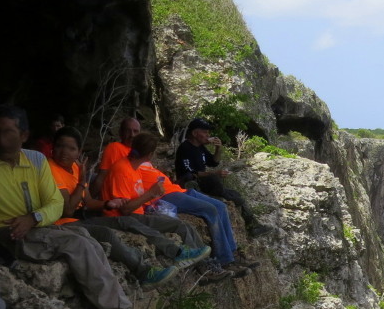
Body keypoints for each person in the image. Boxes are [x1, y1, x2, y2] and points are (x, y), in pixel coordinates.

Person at [0, 104, 134, 309]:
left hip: (35, 225)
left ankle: (115, 306)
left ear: (24, 135)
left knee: (90, 240)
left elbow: (55, 202)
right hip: (0, 233)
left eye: (8, 132)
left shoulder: (36, 161)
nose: (0, 139)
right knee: (79, 244)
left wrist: (33, 218)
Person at [47, 126, 212, 284]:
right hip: (66, 221)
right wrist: (83, 184)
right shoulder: (52, 169)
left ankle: (198, 263)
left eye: (71, 148)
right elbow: (68, 211)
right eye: (60, 146)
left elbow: (89, 202)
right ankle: (155, 266)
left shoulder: (76, 167)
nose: (64, 152)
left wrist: (108, 203)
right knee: (114, 230)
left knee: (174, 224)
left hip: (89, 215)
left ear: (79, 152)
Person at [103, 132, 258, 275]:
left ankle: (232, 253)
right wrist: (151, 194)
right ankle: (223, 259)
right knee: (210, 210)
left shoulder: (135, 166)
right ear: (150, 154)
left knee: (221, 206)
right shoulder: (124, 168)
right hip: (164, 197)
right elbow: (126, 205)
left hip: (177, 190)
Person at [174, 118, 272, 237]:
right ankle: (248, 220)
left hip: (202, 182)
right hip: (190, 183)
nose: (208, 135)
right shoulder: (185, 148)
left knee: (235, 193)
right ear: (195, 133)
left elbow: (214, 162)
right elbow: (191, 173)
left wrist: (218, 148)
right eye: (205, 132)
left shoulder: (200, 147)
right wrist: (214, 173)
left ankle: (253, 225)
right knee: (219, 185)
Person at [92, 117, 141, 196]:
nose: (132, 135)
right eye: (128, 131)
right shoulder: (115, 148)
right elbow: (101, 177)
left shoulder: (140, 151)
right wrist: (89, 202)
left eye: (135, 131)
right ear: (121, 132)